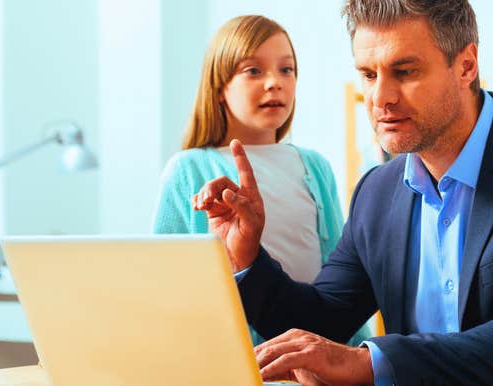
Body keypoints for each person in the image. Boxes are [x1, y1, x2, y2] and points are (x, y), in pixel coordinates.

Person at [194, 1, 493, 385]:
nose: (380, 98)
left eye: (404, 71)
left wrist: (371, 363)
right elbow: (321, 321)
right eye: (368, 74)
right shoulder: (376, 192)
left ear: (466, 65)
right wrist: (247, 258)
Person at [151, 15, 370, 346]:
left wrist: (355, 352)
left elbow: (339, 277)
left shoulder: (316, 166)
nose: (274, 82)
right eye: (254, 70)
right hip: (236, 359)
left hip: (318, 355)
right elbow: (165, 284)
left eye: (287, 69)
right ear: (219, 87)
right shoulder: (188, 170)